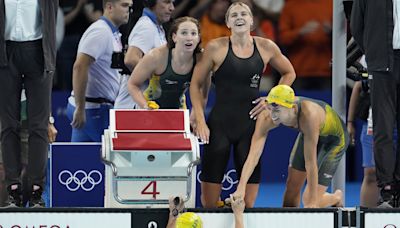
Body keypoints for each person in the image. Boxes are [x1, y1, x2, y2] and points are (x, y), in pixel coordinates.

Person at [190, 2, 296, 208]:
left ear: (252, 20)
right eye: (234, 15)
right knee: (209, 203)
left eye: (244, 14)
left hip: (251, 126)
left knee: (247, 203)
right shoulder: (215, 47)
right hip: (219, 125)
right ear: (228, 22)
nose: (239, 17)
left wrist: (272, 98)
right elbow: (196, 84)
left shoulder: (266, 47)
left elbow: (289, 72)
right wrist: (200, 119)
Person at [231, 85, 348, 208]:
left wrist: (313, 203)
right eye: (270, 109)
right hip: (308, 133)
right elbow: (253, 155)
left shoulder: (309, 116)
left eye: (277, 110)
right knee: (291, 189)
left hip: (334, 140)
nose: (273, 115)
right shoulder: (267, 116)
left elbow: (310, 163)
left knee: (309, 200)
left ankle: (336, 197)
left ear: (292, 108)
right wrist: (241, 187)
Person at [0, 0, 58, 207]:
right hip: (5, 51)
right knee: (8, 125)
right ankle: (13, 190)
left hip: (38, 51)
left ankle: (36, 192)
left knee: (39, 127)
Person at [351, 0, 400, 208]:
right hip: (382, 64)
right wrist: (374, 52)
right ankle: (388, 189)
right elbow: (357, 26)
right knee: (383, 129)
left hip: (382, 62)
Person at [67, 0, 132, 142]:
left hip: (95, 107)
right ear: (109, 7)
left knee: (79, 159)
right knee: (113, 157)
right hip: (93, 109)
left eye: (130, 6)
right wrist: (80, 107)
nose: (128, 10)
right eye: (124, 5)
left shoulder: (112, 32)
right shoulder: (100, 31)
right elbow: (80, 67)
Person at [128, 16, 203, 110]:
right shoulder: (156, 56)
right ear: (174, 37)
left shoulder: (202, 60)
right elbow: (132, 84)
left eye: (193, 33)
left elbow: (203, 91)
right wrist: (144, 105)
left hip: (178, 110)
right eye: (184, 33)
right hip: (151, 109)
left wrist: (196, 114)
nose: (189, 38)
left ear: (198, 38)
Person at [115, 0, 175, 109]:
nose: (172, 8)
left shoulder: (157, 27)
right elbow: (131, 59)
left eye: (172, 3)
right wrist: (159, 81)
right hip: (132, 105)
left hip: (143, 104)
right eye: (167, 2)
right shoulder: (146, 26)